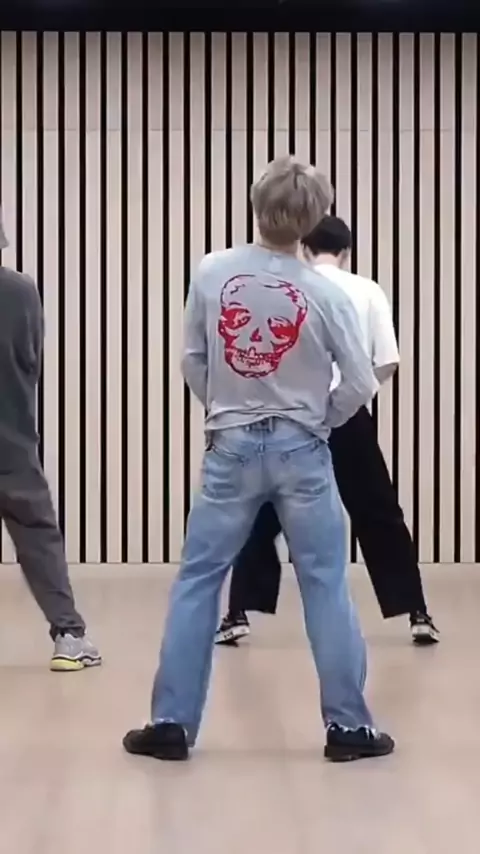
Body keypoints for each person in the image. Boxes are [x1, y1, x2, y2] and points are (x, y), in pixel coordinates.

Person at [123, 157, 394, 763]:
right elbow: (359, 381)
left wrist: (226, 409)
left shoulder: (212, 272)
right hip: (304, 450)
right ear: (315, 218)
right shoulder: (325, 293)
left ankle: (170, 722)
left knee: (199, 580)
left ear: (255, 205)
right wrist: (318, 419)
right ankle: (349, 728)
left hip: (230, 447)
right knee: (325, 582)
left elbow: (193, 359)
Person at [216, 216, 439, 648]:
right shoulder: (367, 290)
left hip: (293, 416)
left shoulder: (288, 289)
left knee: (263, 510)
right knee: (378, 512)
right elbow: (386, 361)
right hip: (349, 415)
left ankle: (238, 613)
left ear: (304, 247)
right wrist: (348, 400)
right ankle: (417, 612)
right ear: (346, 252)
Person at [0, 211, 101, 671]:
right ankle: (68, 635)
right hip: (13, 438)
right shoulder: (22, 291)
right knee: (38, 536)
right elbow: (32, 360)